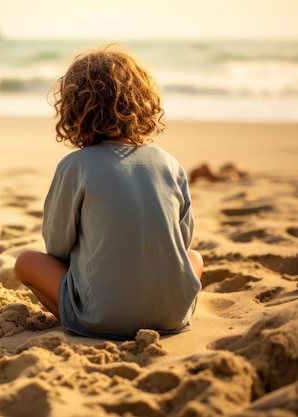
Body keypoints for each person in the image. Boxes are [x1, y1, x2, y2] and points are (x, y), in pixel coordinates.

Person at [14, 44, 204, 340]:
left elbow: (57, 247)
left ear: (73, 110)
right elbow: (182, 242)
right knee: (196, 257)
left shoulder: (75, 166)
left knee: (26, 261)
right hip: (174, 315)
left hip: (103, 318)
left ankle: (81, 320)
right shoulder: (171, 164)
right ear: (143, 103)